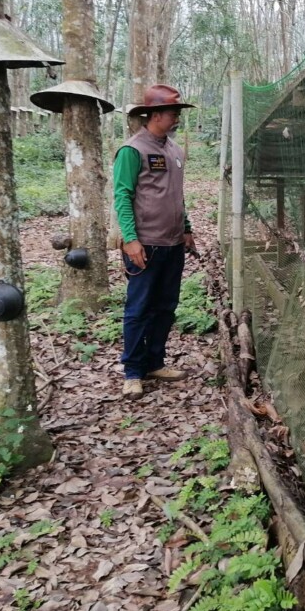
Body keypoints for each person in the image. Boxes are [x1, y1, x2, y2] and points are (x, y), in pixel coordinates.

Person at [113, 84, 196, 399]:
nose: (177, 118)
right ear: (156, 114)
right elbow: (122, 196)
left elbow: (177, 195)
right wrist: (130, 240)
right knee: (139, 308)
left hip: (173, 244)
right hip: (145, 244)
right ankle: (133, 371)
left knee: (166, 306)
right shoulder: (132, 150)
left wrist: (186, 227)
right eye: (173, 112)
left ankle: (155, 362)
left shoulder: (174, 150)